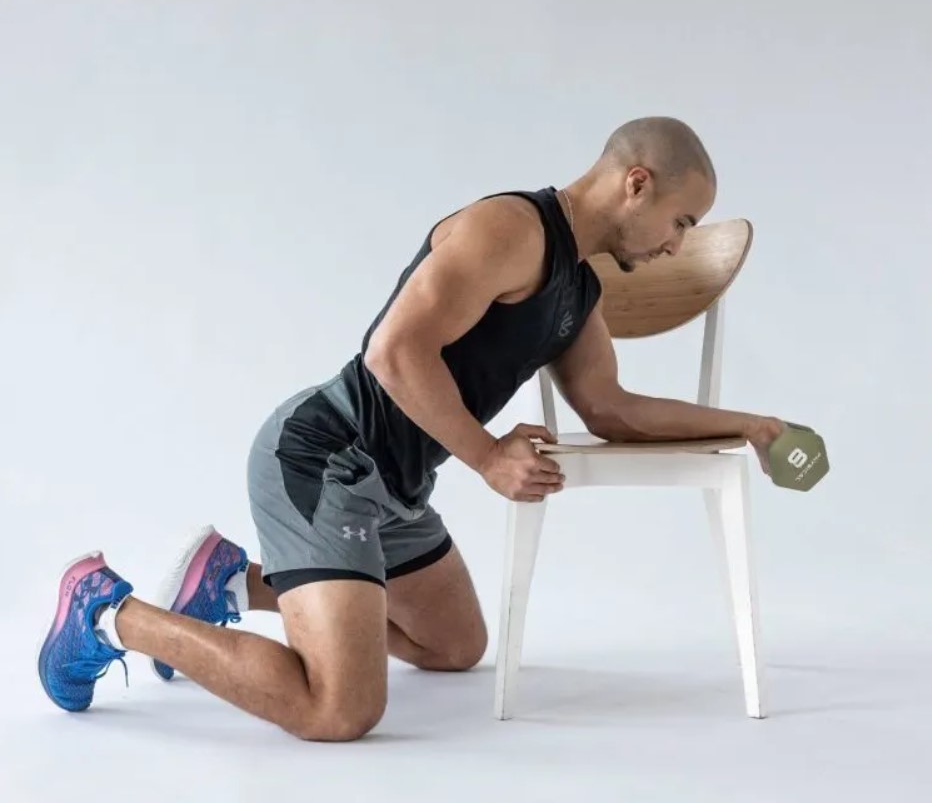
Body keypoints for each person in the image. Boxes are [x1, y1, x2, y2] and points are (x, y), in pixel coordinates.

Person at [37, 116, 786, 741]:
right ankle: (107, 611)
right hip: (325, 457)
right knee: (340, 709)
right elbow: (393, 351)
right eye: (682, 221)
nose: (677, 243)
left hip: (394, 485)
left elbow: (612, 408)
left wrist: (750, 425)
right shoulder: (512, 229)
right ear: (637, 182)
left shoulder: (579, 289)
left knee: (456, 647)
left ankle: (231, 581)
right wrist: (490, 455)